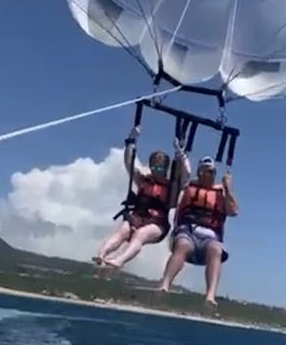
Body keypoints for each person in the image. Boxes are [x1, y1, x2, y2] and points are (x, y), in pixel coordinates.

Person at [94, 126, 190, 269]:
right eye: (154, 167)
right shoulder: (144, 180)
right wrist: (130, 142)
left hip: (158, 224)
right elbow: (129, 164)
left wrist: (181, 154)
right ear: (150, 166)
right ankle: (102, 254)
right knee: (123, 231)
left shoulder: (172, 186)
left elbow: (187, 175)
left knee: (141, 234)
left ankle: (119, 260)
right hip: (137, 217)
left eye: (161, 168)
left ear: (166, 169)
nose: (157, 171)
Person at [158, 155, 239, 307]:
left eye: (209, 172)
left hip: (210, 238)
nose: (205, 175)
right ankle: (165, 284)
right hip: (187, 232)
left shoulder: (222, 192)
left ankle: (210, 295)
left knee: (216, 250)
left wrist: (228, 189)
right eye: (202, 171)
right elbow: (179, 179)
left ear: (214, 173)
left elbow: (234, 211)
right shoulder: (188, 186)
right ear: (198, 172)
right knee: (182, 245)